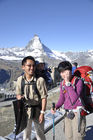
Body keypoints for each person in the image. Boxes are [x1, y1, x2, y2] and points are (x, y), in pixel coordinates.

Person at [51, 61, 86, 140]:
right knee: (68, 136)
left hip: (78, 113)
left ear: (71, 71)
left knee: (78, 137)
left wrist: (68, 84)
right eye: (61, 72)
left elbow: (74, 99)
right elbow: (62, 98)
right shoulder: (62, 83)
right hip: (67, 113)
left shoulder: (78, 81)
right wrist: (56, 107)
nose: (63, 74)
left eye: (65, 71)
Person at [16, 56, 47, 140]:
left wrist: (42, 113)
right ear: (23, 67)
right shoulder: (19, 80)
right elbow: (18, 94)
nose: (32, 68)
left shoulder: (40, 80)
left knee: (40, 135)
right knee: (26, 135)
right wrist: (19, 97)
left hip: (38, 110)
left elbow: (44, 97)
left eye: (33, 65)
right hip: (25, 112)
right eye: (29, 65)